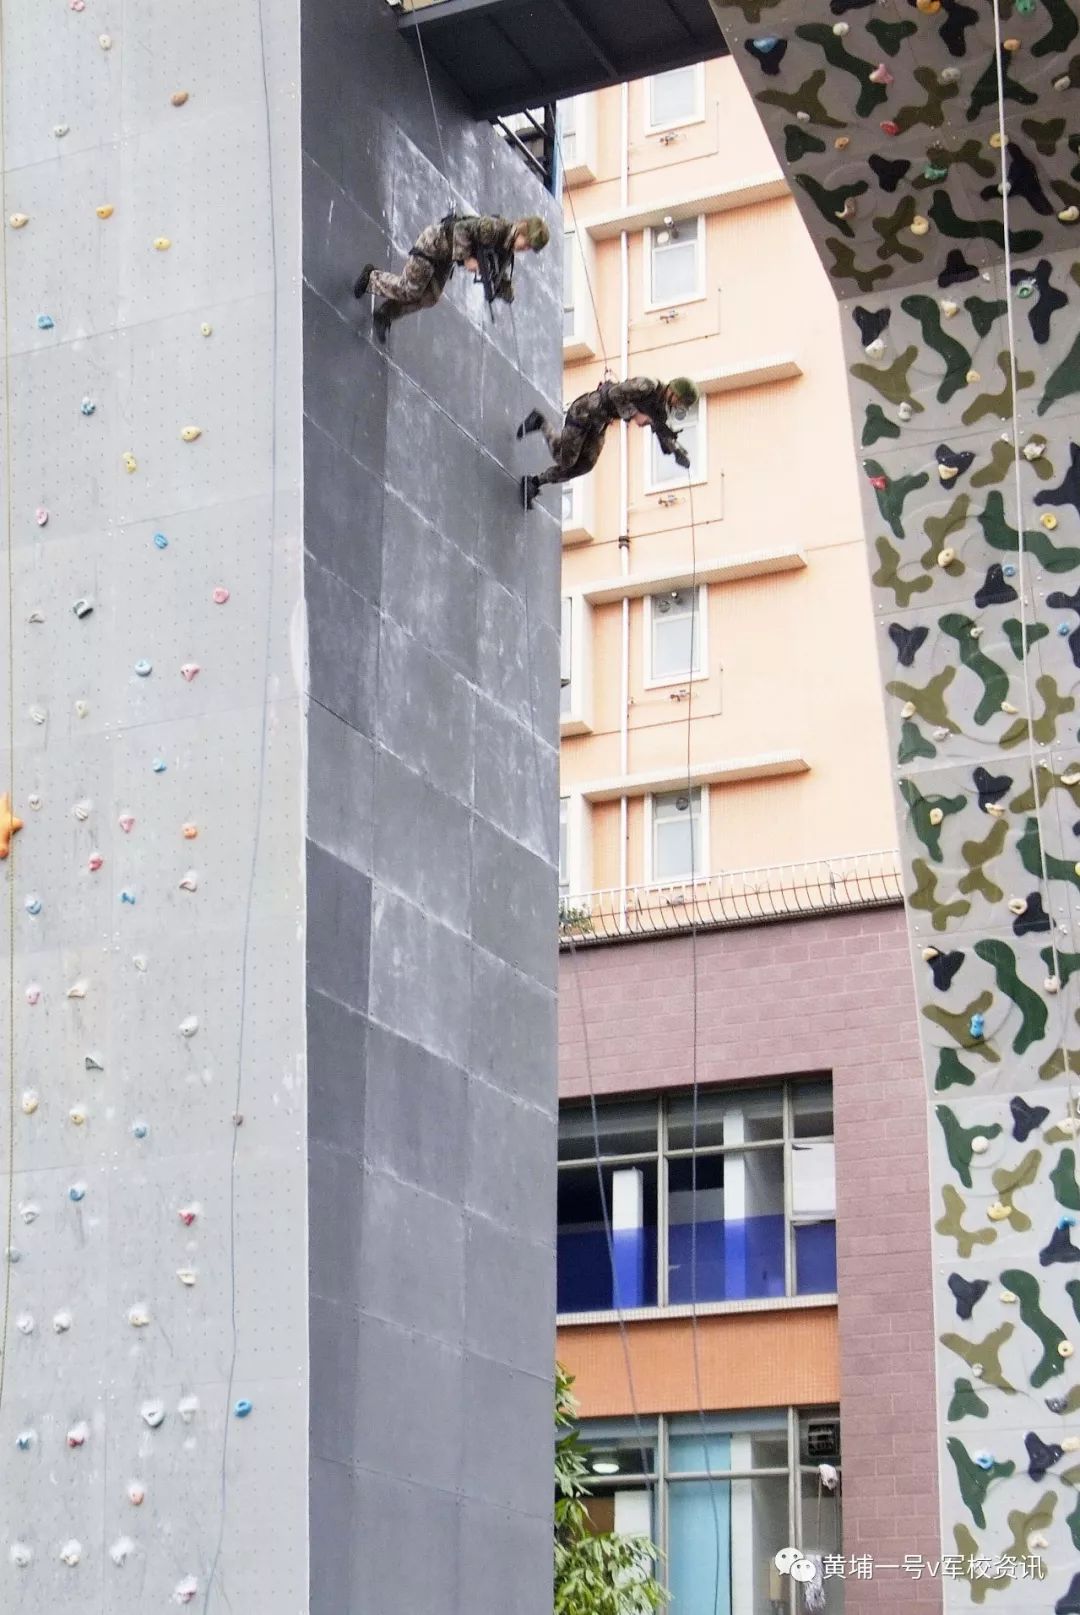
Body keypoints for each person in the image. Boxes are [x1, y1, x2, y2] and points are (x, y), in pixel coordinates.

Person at [354, 212, 550, 341]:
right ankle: (371, 278)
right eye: (527, 243)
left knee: (429, 297)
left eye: (529, 248)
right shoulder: (494, 228)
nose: (525, 248)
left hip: (445, 260)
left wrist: (505, 290)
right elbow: (461, 229)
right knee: (409, 289)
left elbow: (498, 274)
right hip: (435, 243)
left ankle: (385, 314)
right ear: (521, 229)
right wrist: (467, 259)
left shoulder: (506, 252)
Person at [518, 376, 699, 509]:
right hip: (586, 411)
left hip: (599, 424)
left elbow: (662, 433)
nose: (678, 405)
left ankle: (535, 482)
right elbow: (614, 393)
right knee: (565, 459)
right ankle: (540, 423)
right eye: (680, 400)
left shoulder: (659, 411)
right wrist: (635, 414)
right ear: (674, 390)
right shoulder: (647, 386)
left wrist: (677, 452)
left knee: (585, 464)